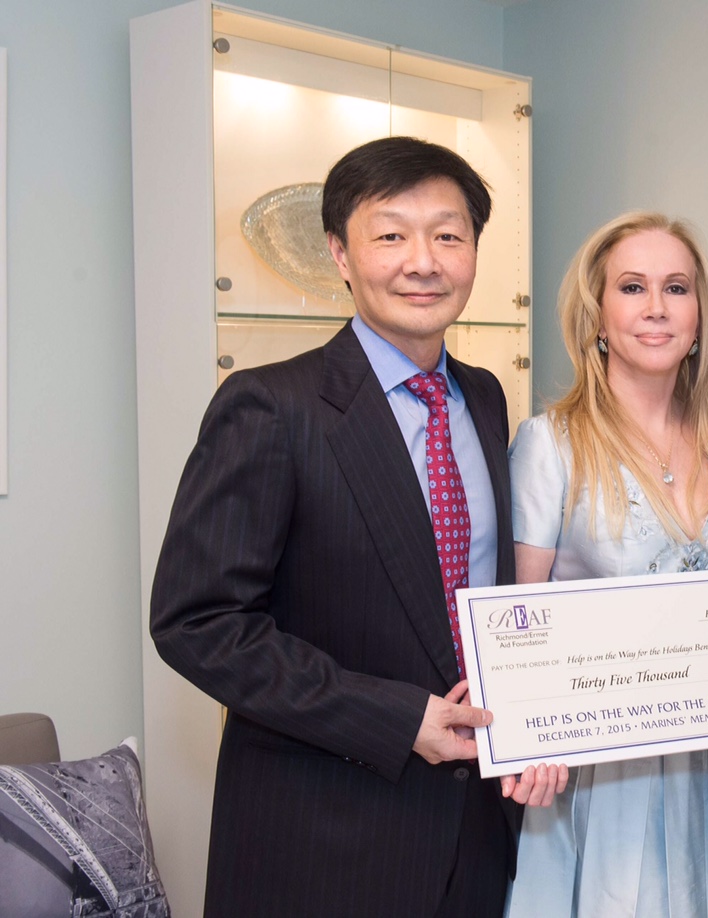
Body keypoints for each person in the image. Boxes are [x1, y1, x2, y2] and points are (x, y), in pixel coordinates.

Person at [150, 136, 560, 918]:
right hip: (324, 843)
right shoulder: (270, 407)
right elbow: (198, 623)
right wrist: (398, 719)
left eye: (448, 235)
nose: (423, 262)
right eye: (391, 235)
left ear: (475, 252)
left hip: (476, 832)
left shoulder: (482, 396)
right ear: (340, 253)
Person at [504, 212, 708, 917]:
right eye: (632, 287)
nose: (656, 307)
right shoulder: (549, 444)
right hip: (599, 782)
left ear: (699, 316)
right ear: (597, 315)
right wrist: (528, 739)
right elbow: (519, 619)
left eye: (676, 288)